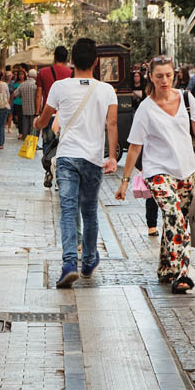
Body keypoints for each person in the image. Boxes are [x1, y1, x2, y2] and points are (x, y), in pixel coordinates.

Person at [116, 56, 195, 293]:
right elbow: (134, 146)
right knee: (176, 217)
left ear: (175, 75)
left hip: (187, 170)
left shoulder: (186, 98)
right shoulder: (145, 109)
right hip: (157, 171)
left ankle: (164, 268)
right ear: (150, 76)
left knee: (174, 220)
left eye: (169, 75)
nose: (164, 80)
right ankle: (181, 274)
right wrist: (125, 181)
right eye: (159, 76)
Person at [34, 38, 118, 289]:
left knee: (68, 210)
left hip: (67, 157)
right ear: (95, 62)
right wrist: (112, 157)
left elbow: (45, 118)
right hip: (93, 159)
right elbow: (111, 125)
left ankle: (69, 263)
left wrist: (38, 124)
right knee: (89, 210)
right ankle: (89, 260)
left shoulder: (60, 87)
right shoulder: (106, 90)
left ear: (72, 60)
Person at [36, 46, 73, 187]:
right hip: (65, 115)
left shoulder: (43, 72)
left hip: (48, 113)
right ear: (66, 57)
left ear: (54, 56)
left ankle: (49, 171)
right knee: (63, 144)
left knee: (48, 144)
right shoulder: (71, 73)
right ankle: (61, 174)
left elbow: (39, 94)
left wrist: (37, 114)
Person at [131, 70, 159, 237]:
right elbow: (137, 140)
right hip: (151, 157)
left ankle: (155, 226)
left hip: (170, 160)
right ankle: (152, 225)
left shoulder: (177, 102)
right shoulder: (145, 107)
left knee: (156, 195)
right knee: (152, 194)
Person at [12, 68, 38, 139]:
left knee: (25, 127)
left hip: (25, 109)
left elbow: (15, 94)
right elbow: (39, 97)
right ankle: (31, 142)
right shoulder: (36, 85)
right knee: (33, 127)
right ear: (35, 76)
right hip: (34, 109)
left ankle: (25, 141)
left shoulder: (23, 84)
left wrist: (22, 95)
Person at [11, 68, 26, 139]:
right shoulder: (16, 84)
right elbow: (13, 94)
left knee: (24, 118)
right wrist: (10, 101)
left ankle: (24, 132)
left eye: (22, 74)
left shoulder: (26, 83)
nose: (21, 76)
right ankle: (20, 132)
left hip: (25, 103)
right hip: (17, 102)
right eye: (20, 75)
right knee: (19, 118)